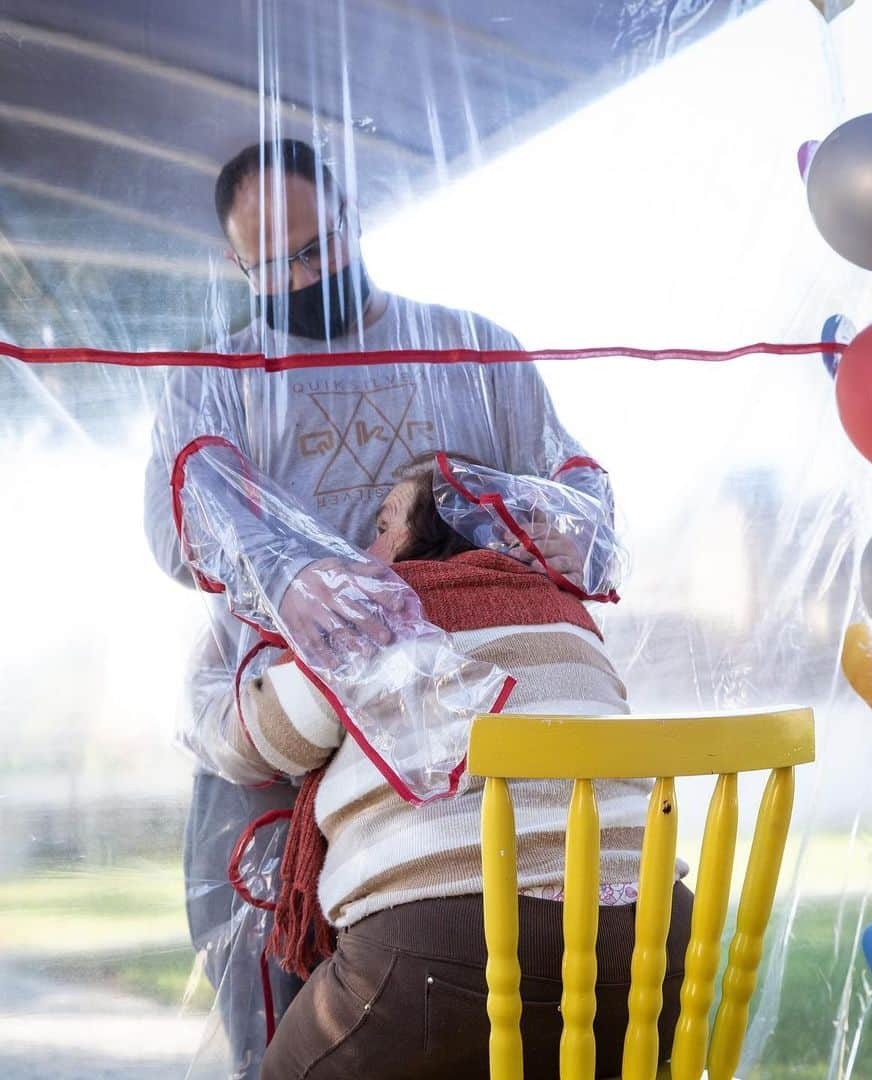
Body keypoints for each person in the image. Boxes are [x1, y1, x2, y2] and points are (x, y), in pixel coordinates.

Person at [143, 140, 613, 1078]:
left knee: (485, 995)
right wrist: (286, 575)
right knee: (273, 995)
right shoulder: (212, 376)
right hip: (275, 725)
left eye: (317, 248)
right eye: (271, 265)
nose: (301, 277)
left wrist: (568, 531)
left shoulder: (472, 350)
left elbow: (574, 483)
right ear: (237, 264)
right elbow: (179, 522)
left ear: (354, 218)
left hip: (464, 732)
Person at [214, 462, 692, 1080]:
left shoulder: (373, 614)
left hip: (453, 948)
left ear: (431, 540)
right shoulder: (573, 621)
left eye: (384, 526)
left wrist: (255, 658)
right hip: (656, 958)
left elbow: (259, 741)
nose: (366, 549)